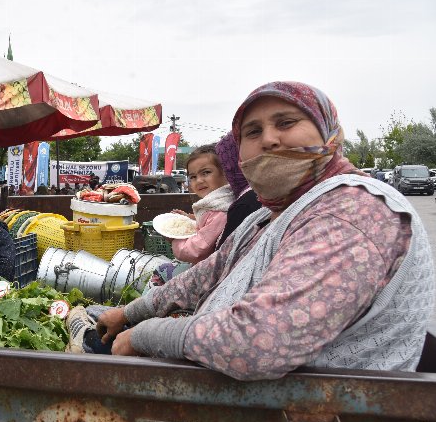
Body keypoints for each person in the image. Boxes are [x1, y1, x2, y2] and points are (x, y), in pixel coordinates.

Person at [70, 81, 435, 380]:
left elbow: (258, 344)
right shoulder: (269, 215)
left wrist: (147, 335)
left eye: (286, 123)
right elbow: (202, 276)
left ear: (328, 132)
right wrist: (131, 313)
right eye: (253, 131)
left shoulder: (352, 211)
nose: (270, 139)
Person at [169, 144, 235, 265]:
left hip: (209, 271)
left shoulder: (220, 212)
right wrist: (190, 218)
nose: (199, 180)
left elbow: (197, 250)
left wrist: (174, 239)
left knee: (160, 272)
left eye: (206, 173)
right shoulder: (216, 206)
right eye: (193, 176)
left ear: (225, 173)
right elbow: (207, 222)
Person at [214, 133, 263, 248]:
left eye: (224, 165)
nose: (225, 172)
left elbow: (224, 254)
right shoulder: (265, 192)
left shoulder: (246, 203)